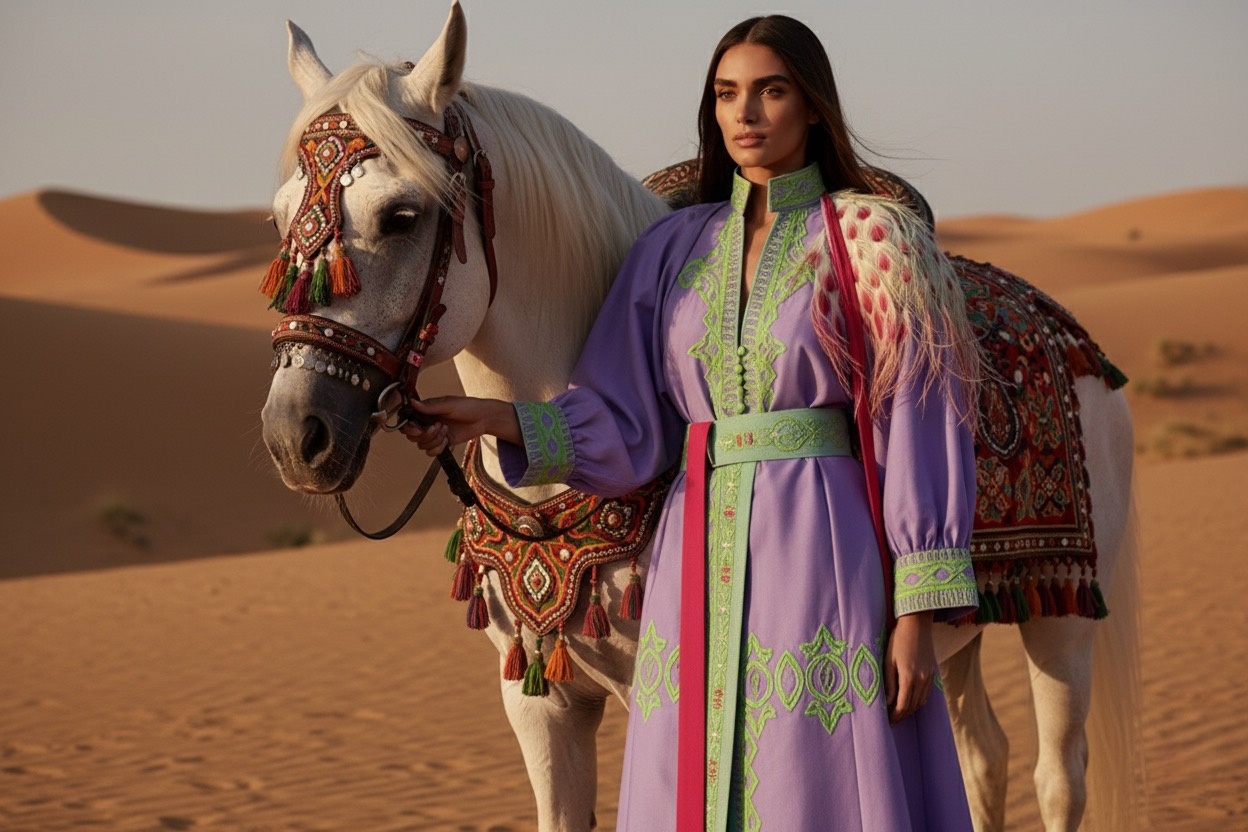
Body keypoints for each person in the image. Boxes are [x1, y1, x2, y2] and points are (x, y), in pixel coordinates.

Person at [407, 14, 980, 831]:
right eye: (727, 94)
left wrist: (917, 615)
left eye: (771, 91)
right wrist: (495, 418)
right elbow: (625, 414)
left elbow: (918, 419)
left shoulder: (869, 240)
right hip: (692, 542)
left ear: (812, 106)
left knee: (809, 775)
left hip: (822, 538)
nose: (745, 114)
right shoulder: (673, 249)